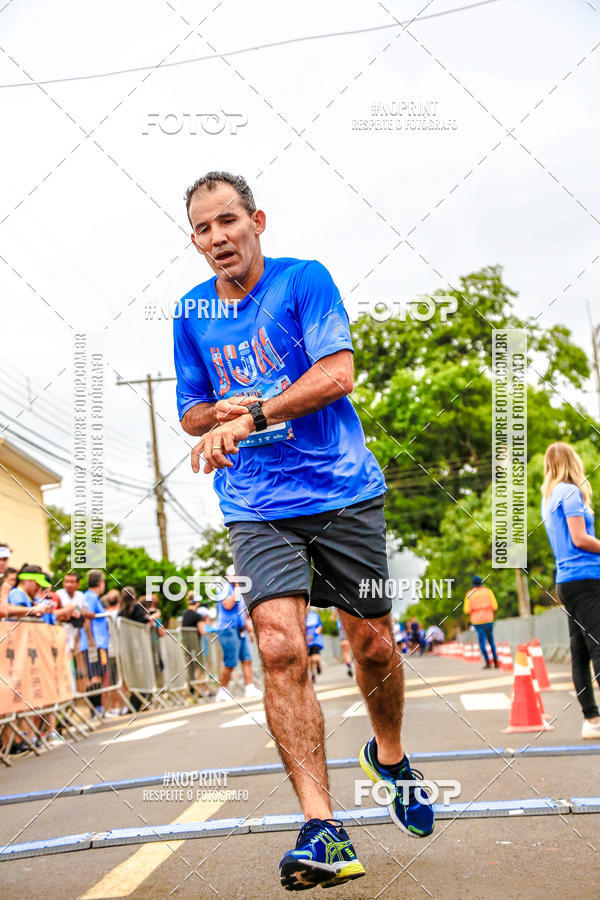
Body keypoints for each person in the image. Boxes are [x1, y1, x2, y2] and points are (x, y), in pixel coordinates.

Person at [174, 171, 434, 890]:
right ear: (193, 240)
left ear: (257, 220)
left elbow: (339, 374)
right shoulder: (191, 312)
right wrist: (218, 416)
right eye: (203, 228)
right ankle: (323, 827)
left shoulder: (303, 282)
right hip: (256, 503)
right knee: (281, 647)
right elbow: (191, 411)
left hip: (343, 489)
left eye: (228, 221)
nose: (218, 237)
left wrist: (254, 414)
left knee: (373, 643)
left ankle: (388, 756)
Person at [541, 441, 600, 740]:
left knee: (580, 652)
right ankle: (592, 719)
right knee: (598, 647)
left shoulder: (549, 498)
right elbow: (580, 538)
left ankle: (591, 719)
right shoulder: (571, 492)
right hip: (587, 578)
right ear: (572, 462)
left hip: (567, 581)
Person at [214, 566, 262, 702]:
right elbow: (227, 605)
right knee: (230, 662)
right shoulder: (224, 588)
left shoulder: (240, 591)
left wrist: (251, 630)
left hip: (240, 630)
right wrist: (237, 588)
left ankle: (250, 687)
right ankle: (222, 691)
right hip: (227, 629)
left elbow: (243, 613)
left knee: (247, 659)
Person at [82, 570, 110, 717]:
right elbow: (87, 618)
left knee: (96, 674)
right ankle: (96, 708)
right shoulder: (91, 597)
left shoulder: (90, 597)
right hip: (95, 643)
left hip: (96, 642)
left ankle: (97, 708)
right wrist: (91, 640)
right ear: (100, 583)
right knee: (96, 675)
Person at [463, 576, 499, 669]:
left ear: (473, 584)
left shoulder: (469, 594)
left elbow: (466, 610)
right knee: (491, 641)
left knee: (482, 642)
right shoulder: (488, 591)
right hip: (489, 619)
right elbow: (495, 606)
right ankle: (496, 661)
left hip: (477, 621)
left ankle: (487, 662)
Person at [181, 592, 209, 696]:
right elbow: (203, 631)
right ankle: (200, 689)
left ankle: (192, 690)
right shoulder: (197, 616)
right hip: (195, 645)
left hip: (187, 645)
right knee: (199, 666)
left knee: (190, 667)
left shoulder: (185, 615)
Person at [305, 606, 324, 684]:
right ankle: (313, 675)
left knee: (315, 659)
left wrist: (318, 630)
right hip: (306, 642)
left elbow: (320, 625)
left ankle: (318, 664)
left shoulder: (315, 615)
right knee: (309, 661)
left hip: (315, 640)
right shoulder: (301, 617)